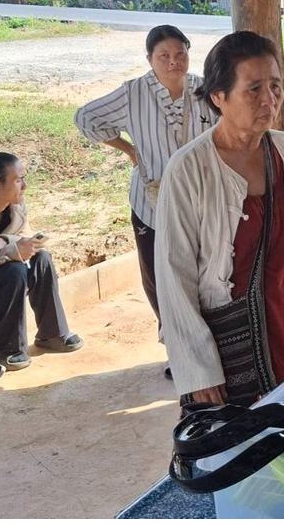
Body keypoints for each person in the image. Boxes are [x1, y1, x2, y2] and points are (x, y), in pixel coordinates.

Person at [155, 31, 284, 406]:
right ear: (219, 96)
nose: (269, 100)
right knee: (241, 438)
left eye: (275, 86)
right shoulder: (188, 169)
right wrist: (199, 370)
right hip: (232, 357)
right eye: (254, 89)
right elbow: (174, 276)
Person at [74, 25, 218, 376]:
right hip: (151, 203)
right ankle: (177, 350)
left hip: (202, 201)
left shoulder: (205, 89)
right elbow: (85, 118)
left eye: (180, 53)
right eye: (164, 56)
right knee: (159, 279)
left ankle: (207, 346)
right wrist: (128, 149)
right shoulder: (133, 93)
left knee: (204, 274)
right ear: (150, 59)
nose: (173, 62)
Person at [0, 153, 84, 371]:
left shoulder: (16, 207)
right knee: (14, 271)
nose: (24, 186)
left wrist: (3, 242)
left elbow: (23, 234)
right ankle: (5, 349)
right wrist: (13, 250)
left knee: (41, 258)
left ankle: (52, 334)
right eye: (18, 180)